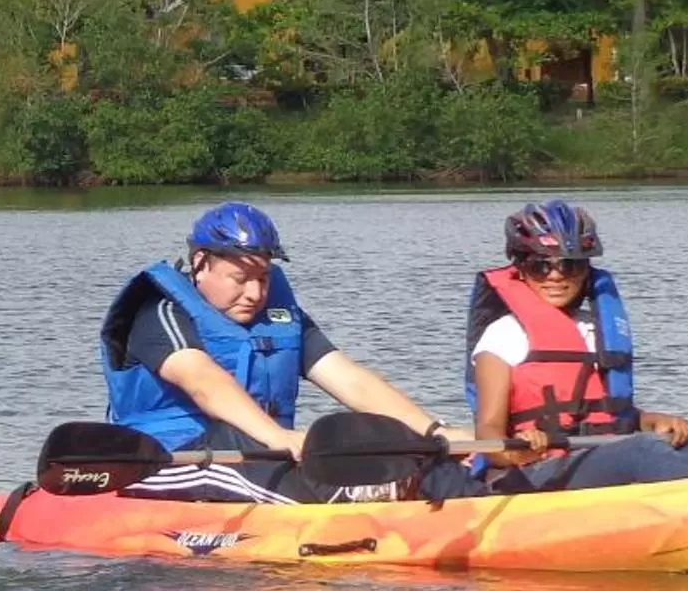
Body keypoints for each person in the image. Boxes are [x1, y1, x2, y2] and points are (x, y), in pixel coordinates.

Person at [99, 201, 477, 502]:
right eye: (240, 278)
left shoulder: (280, 318)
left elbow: (351, 381)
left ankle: (462, 489)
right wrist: (277, 436)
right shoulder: (159, 313)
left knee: (371, 435)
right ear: (200, 264)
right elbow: (202, 381)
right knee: (238, 438)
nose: (255, 293)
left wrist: (434, 434)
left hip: (263, 453)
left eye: (263, 277)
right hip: (173, 461)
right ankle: (356, 497)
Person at [465, 199, 688, 491]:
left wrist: (651, 420)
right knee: (641, 451)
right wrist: (521, 448)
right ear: (521, 270)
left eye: (570, 265)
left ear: (586, 269)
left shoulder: (595, 328)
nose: (556, 275)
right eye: (541, 266)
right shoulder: (503, 335)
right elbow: (489, 433)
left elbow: (612, 414)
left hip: (601, 456)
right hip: (535, 471)